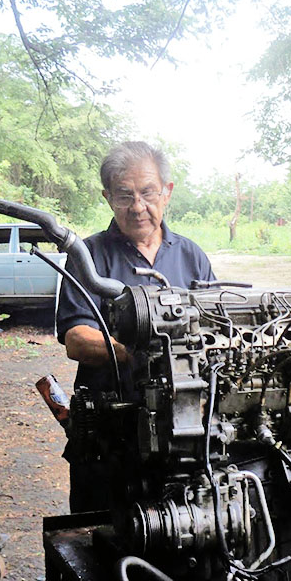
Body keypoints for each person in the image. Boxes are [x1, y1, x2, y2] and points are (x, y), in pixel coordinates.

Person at [56, 141, 215, 512]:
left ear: (167, 193)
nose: (138, 207)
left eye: (148, 193)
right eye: (125, 196)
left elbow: (213, 332)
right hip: (107, 441)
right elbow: (76, 340)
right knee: (99, 545)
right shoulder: (89, 255)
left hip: (181, 439)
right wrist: (140, 353)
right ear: (107, 197)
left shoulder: (192, 256)